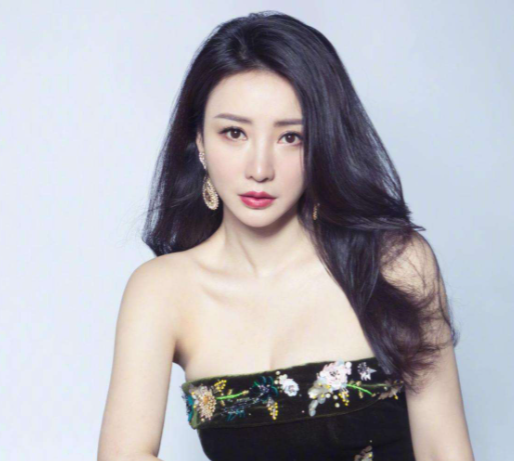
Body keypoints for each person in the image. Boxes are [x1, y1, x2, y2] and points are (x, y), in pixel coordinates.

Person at [97, 11, 475, 461]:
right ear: (199, 141)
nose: (260, 168)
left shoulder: (395, 264)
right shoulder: (162, 290)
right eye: (234, 132)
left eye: (291, 137)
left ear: (324, 143)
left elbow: (444, 451)